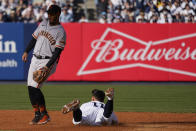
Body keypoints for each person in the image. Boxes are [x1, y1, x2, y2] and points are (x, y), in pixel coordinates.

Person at [22, 4, 66, 125]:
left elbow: (57, 52)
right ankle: (37, 114)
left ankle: (45, 114)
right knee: (30, 87)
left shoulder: (60, 31)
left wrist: (47, 66)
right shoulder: (43, 23)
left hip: (47, 61)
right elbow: (34, 39)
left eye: (52, 13)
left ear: (58, 14)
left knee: (35, 87)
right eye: (49, 13)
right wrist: (26, 51)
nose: (50, 15)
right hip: (35, 58)